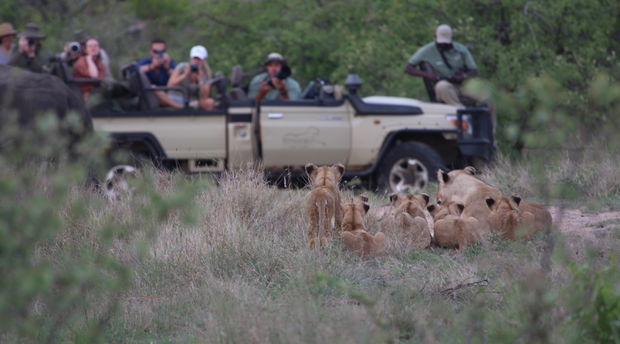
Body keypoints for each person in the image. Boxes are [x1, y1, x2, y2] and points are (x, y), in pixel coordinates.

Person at [404, 24, 479, 107]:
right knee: (442, 86)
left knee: (487, 94)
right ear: (435, 38)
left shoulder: (461, 49)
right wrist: (428, 75)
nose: (443, 45)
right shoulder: (427, 50)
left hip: (464, 85)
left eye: (446, 43)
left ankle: (487, 118)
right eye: (441, 43)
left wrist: (463, 76)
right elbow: (408, 68)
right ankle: (459, 111)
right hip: (446, 86)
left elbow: (474, 71)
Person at [167, 45, 215, 110]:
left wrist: (199, 79)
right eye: (194, 58)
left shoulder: (205, 74)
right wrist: (184, 75)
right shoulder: (182, 67)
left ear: (204, 60)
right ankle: (181, 107)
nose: (196, 61)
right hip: (177, 98)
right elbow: (170, 85)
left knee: (210, 102)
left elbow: (205, 96)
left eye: (199, 59)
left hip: (192, 101)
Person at [136, 38, 180, 108]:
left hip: (168, 94)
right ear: (150, 51)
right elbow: (134, 71)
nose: (158, 54)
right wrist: (151, 66)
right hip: (149, 96)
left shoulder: (170, 62)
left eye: (162, 52)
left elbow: (178, 78)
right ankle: (180, 107)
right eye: (155, 51)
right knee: (154, 88)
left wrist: (167, 67)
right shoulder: (145, 61)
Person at [72, 37, 106, 101]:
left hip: (98, 92)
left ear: (99, 49)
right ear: (85, 50)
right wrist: (89, 59)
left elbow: (102, 80)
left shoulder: (99, 63)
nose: (93, 48)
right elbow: (94, 76)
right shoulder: (81, 61)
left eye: (96, 46)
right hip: (84, 96)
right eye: (90, 46)